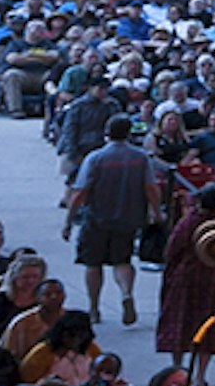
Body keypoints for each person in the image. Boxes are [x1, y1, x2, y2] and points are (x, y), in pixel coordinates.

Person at [64, 124, 160, 325]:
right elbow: (151, 187)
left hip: (96, 217)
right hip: (128, 217)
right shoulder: (141, 158)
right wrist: (156, 211)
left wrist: (69, 220)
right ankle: (126, 293)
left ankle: (94, 308)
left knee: (93, 263)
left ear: (107, 133)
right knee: (122, 260)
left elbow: (80, 192)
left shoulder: (96, 158)